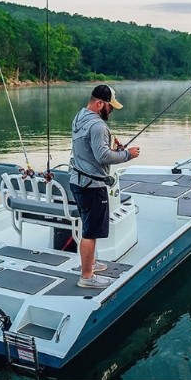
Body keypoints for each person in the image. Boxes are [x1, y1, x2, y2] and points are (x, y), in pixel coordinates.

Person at [70, 84, 139, 289]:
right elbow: (102, 156)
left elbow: (90, 151)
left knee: (88, 225)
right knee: (90, 232)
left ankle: (90, 263)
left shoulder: (79, 117)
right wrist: (127, 154)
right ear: (100, 103)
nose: (112, 110)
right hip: (92, 186)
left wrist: (112, 148)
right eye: (110, 106)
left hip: (77, 181)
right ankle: (87, 276)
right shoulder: (99, 126)